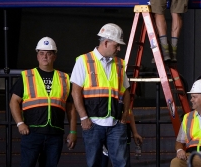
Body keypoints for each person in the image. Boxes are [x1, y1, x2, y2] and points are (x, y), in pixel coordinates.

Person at [9, 36, 77, 167]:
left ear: (54, 56)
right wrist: (20, 123)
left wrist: (73, 131)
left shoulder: (64, 78)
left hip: (55, 135)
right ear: (37, 56)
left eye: (49, 53)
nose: (45, 56)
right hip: (31, 133)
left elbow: (71, 108)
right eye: (41, 53)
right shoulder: (27, 76)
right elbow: (13, 102)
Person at [71, 23, 131, 167]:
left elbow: (126, 91)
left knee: (121, 164)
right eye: (116, 45)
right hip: (93, 124)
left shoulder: (119, 64)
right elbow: (75, 91)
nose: (119, 49)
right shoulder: (83, 61)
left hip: (116, 124)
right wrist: (84, 118)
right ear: (105, 42)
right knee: (94, 164)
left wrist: (124, 116)